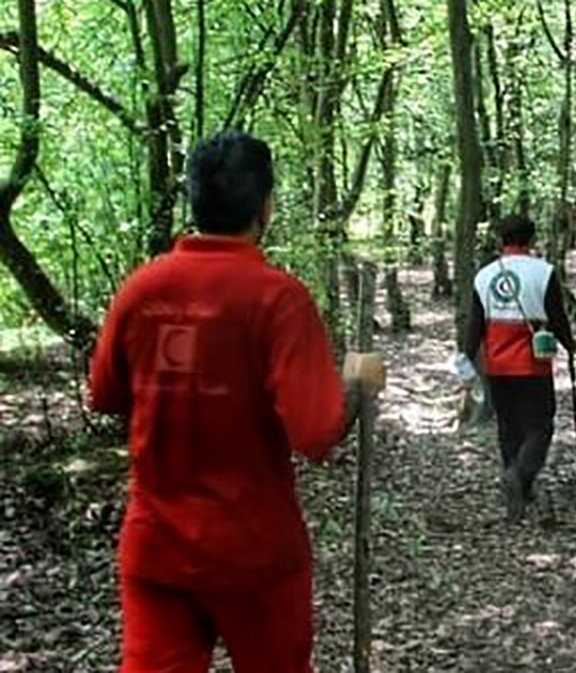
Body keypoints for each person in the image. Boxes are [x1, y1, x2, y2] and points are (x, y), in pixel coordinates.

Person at [88, 130, 385, 673]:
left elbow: (105, 394)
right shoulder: (278, 299)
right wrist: (357, 383)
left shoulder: (141, 290)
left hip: (157, 549)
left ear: (195, 202)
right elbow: (317, 433)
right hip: (256, 555)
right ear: (265, 205)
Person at [463, 214, 576, 521]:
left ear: (501, 240)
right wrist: (570, 344)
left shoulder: (484, 275)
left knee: (508, 425)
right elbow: (557, 315)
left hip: (497, 363)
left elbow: (475, 323)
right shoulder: (544, 272)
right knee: (541, 424)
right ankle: (520, 475)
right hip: (533, 363)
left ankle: (517, 485)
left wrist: (466, 357)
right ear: (532, 239)